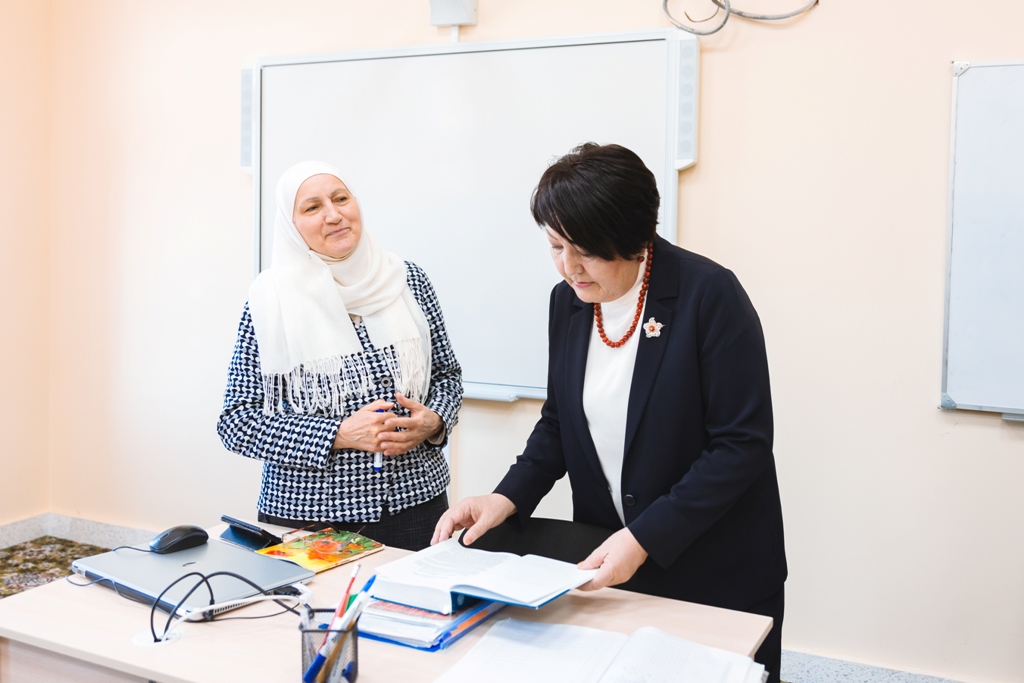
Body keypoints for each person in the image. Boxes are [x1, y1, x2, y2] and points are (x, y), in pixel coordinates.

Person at [433, 144, 787, 681]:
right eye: (555, 247)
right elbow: (560, 422)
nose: (569, 268)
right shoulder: (568, 302)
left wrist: (645, 538)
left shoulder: (708, 294)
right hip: (610, 558)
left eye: (586, 252)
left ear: (636, 240)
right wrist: (505, 498)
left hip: (713, 565)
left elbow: (740, 445)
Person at [218, 161, 462, 551]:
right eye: (313, 207)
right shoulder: (270, 301)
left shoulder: (408, 280)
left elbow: (447, 376)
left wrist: (435, 422)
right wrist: (338, 435)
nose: (333, 215)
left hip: (416, 505)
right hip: (309, 516)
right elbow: (237, 422)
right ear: (291, 226)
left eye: (341, 199)